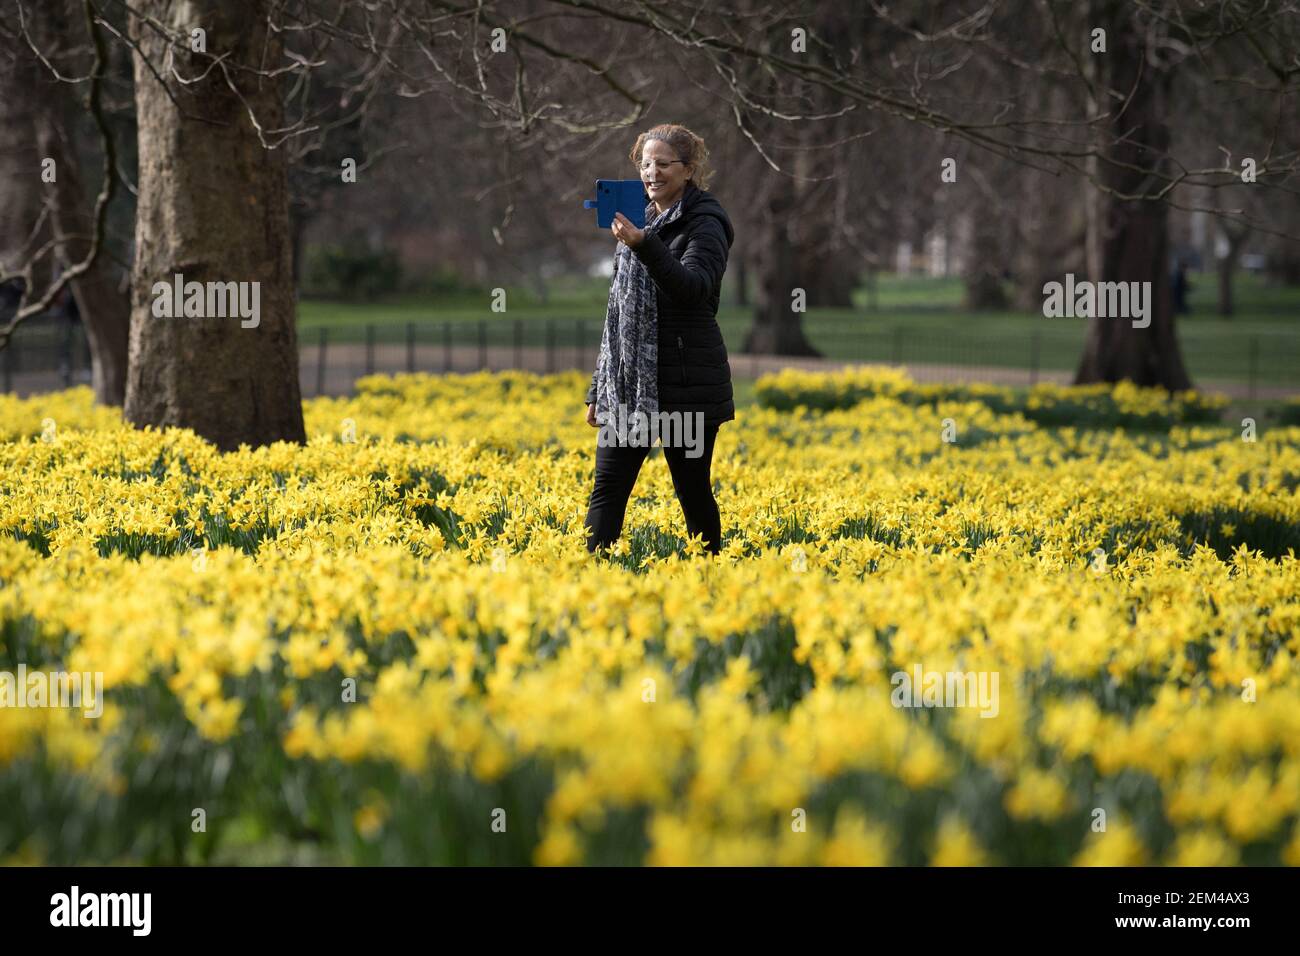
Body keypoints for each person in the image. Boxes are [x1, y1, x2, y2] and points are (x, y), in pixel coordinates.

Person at [582, 124, 736, 556]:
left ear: (688, 170)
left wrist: (646, 246)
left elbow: (693, 289)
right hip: (628, 388)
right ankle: (588, 579)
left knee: (691, 491)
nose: (651, 173)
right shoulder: (638, 219)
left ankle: (710, 578)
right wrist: (599, 388)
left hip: (685, 388)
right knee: (608, 487)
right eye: (645, 163)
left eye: (663, 164)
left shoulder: (706, 223)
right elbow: (617, 313)